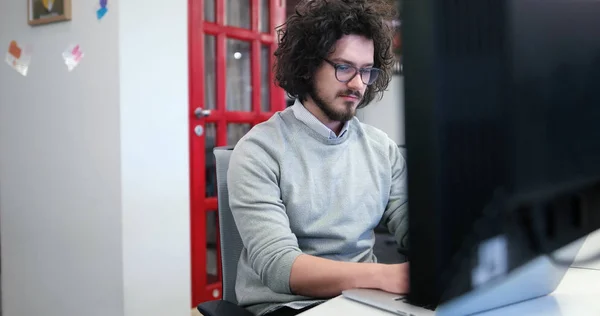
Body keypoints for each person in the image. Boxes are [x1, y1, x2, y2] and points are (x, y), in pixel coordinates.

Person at [227, 0, 408, 315]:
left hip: (367, 302)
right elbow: (281, 266)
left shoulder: (381, 148)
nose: (357, 84)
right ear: (308, 65)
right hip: (287, 306)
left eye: (366, 71)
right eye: (344, 67)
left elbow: (414, 223)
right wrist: (386, 275)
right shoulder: (259, 150)